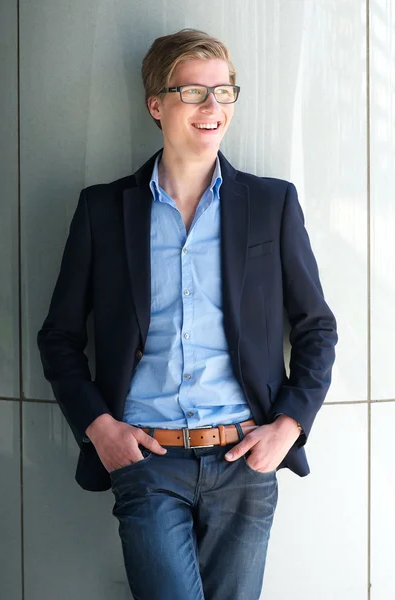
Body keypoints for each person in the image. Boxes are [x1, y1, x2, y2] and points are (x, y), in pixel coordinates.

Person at [37, 28, 338, 600]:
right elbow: (59, 337)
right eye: (195, 92)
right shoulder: (104, 210)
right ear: (157, 105)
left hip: (245, 460)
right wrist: (100, 429)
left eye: (225, 92)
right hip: (148, 461)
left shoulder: (271, 205)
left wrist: (289, 427)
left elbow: (317, 328)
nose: (213, 108)